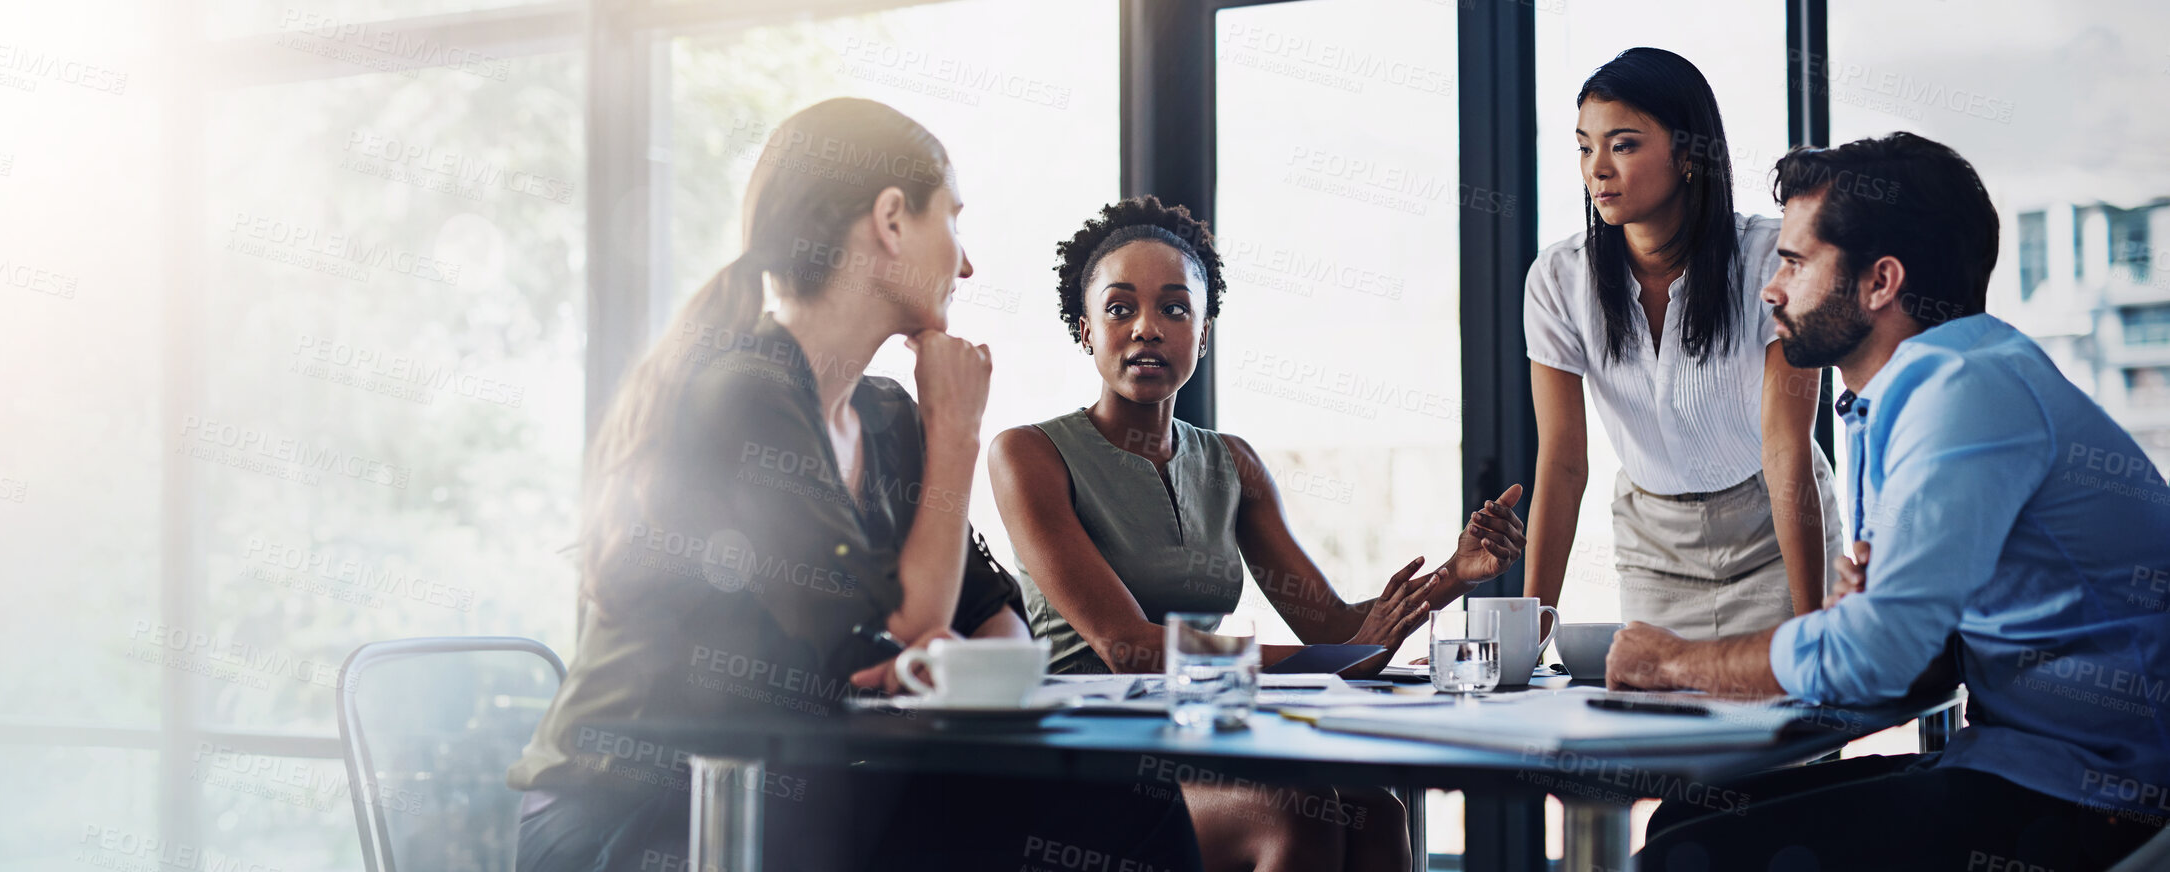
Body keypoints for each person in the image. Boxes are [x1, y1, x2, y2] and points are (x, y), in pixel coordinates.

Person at [506, 99, 1201, 872]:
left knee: (1129, 807)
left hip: (808, 790)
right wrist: (959, 435)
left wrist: (934, 649)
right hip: (641, 813)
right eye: (954, 222)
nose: (965, 263)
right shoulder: (745, 394)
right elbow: (905, 623)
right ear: (892, 220)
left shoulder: (887, 415)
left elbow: (992, 619)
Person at [1610, 132, 2170, 871]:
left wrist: (1674, 661)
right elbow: (1914, 658)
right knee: (1685, 817)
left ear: (1880, 283)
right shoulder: (1913, 390)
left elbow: (1879, 656)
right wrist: (1873, 618)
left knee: (1689, 856)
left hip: (2099, 797)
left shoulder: (1961, 390)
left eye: (1796, 262)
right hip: (2022, 761)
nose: (1770, 289)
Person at [989, 195, 1528, 872]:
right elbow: (1128, 648)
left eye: (1175, 308)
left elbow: (1331, 628)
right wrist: (1336, 660)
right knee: (1289, 822)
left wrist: (1456, 573)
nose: (1147, 328)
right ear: (1085, 329)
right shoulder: (1028, 455)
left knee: (1373, 810)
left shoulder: (1230, 464)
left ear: (1204, 332)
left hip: (1203, 743)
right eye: (1121, 308)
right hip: (1090, 763)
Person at [1522, 47, 1841, 641]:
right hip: (1654, 545)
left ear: (1689, 152)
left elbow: (1785, 449)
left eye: (1623, 144)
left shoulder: (1771, 260)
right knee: (1659, 726)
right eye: (1585, 147)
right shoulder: (1558, 279)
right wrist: (1526, 637)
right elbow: (1562, 464)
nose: (1598, 168)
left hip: (1773, 531)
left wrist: (1813, 631)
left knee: (1794, 724)